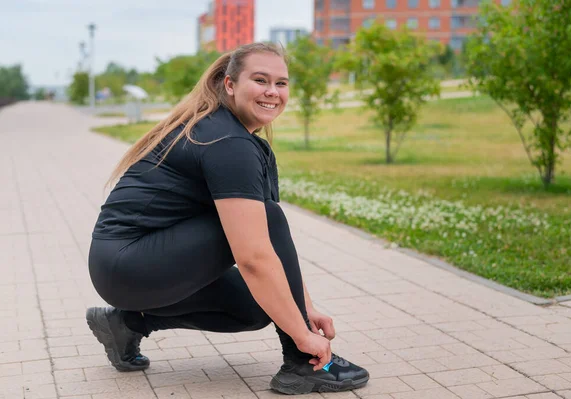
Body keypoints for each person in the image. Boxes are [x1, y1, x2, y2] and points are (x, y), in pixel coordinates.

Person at [86, 42, 369, 395]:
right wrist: (303, 336)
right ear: (230, 84)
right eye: (261, 80)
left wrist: (304, 310)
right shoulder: (226, 141)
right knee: (269, 229)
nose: (272, 92)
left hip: (128, 269)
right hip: (129, 263)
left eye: (281, 83)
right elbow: (255, 255)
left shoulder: (232, 135)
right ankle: (303, 365)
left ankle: (126, 323)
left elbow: (271, 246)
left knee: (256, 307)